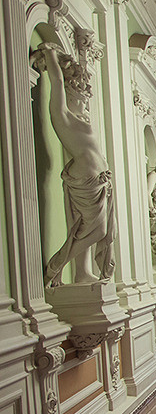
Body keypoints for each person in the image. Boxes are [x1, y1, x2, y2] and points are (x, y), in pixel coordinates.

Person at [34, 43, 116, 287]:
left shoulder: (80, 117)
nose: (81, 95)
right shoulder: (63, 117)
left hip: (99, 179)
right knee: (97, 230)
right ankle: (56, 265)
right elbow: (57, 84)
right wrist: (50, 55)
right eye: (76, 93)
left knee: (89, 228)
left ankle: (81, 273)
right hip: (86, 178)